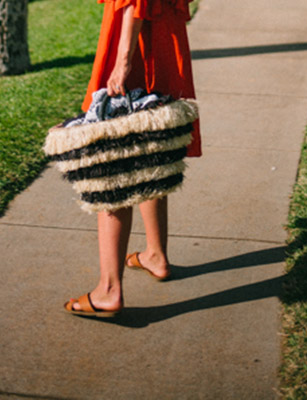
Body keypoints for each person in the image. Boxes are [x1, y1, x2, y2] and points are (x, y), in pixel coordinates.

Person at [64, 0, 201, 317]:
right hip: (162, 35)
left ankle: (109, 290)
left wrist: (123, 60)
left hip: (135, 38)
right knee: (152, 148)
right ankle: (155, 253)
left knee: (114, 158)